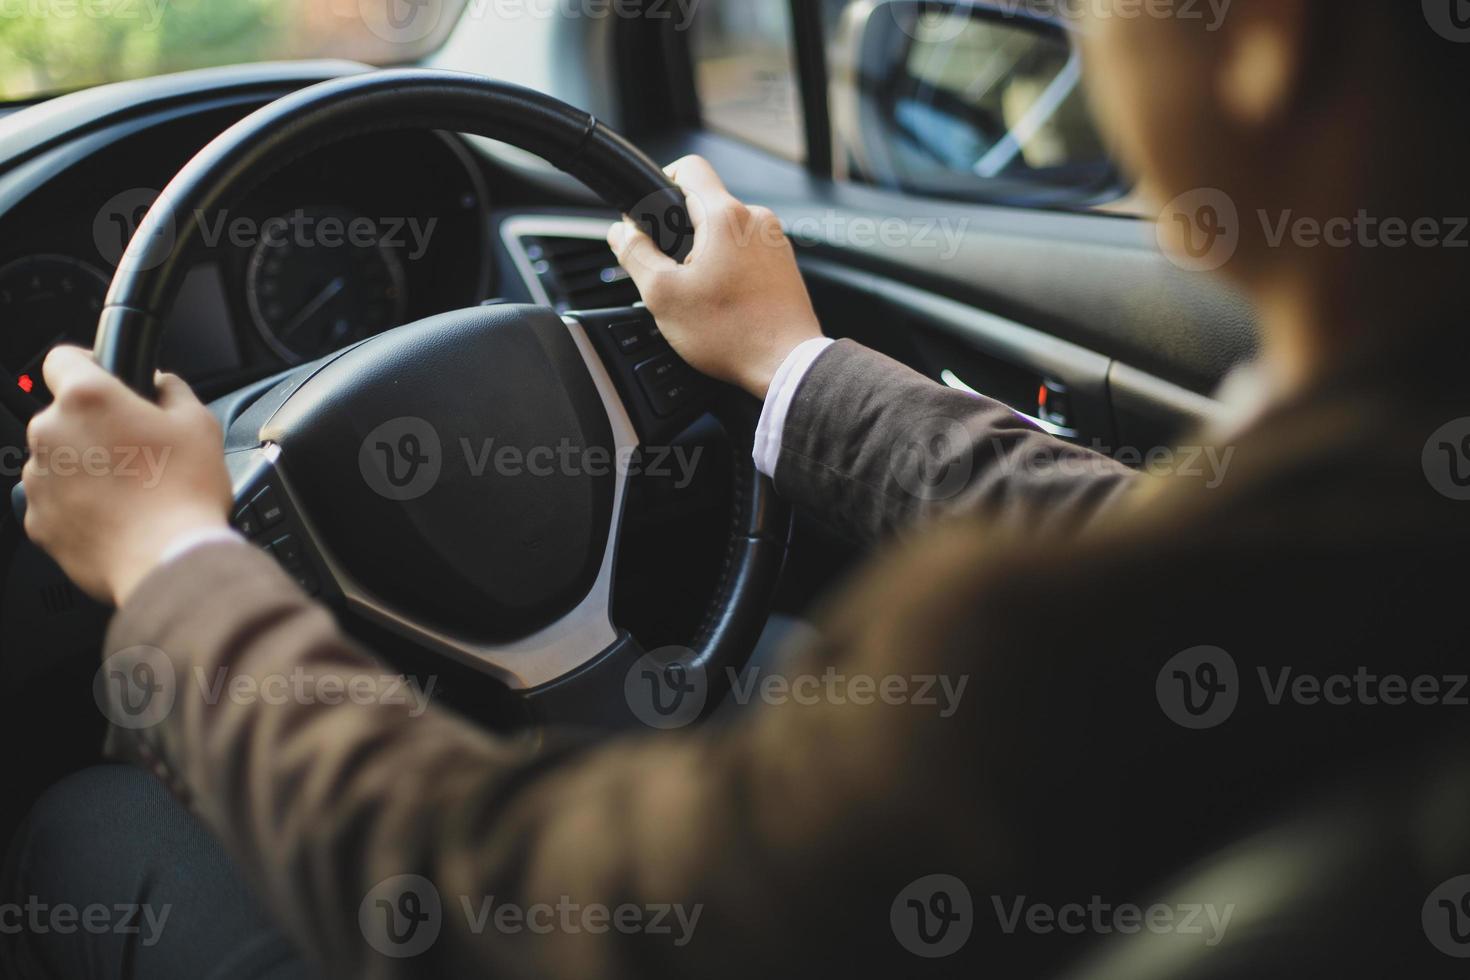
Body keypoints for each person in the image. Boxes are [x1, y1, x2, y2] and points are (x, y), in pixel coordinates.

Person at [6, 2, 1470, 976]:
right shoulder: (1362, 527)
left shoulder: (1044, 653)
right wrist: (791, 364)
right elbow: (1151, 540)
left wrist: (178, 562)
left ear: (1263, 44)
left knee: (87, 827)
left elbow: (518, 909)